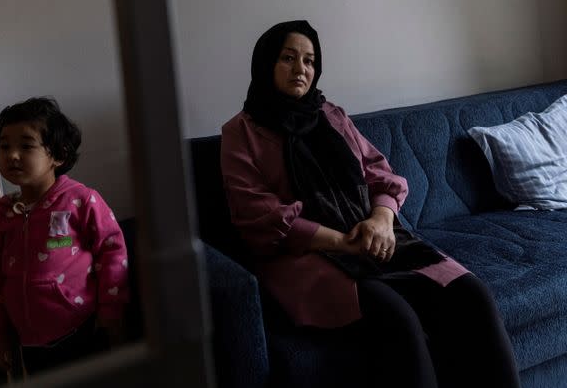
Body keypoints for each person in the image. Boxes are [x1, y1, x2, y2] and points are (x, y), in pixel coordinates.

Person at [220, 20, 520, 388]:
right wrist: (341, 241)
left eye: (310, 61)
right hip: (307, 256)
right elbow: (256, 214)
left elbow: (380, 173)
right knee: (398, 319)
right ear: (266, 62)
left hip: (373, 236)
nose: (301, 69)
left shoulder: (332, 115)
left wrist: (381, 220)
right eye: (288, 58)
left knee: (470, 294)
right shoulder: (241, 132)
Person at [0, 97, 128, 375]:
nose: (12, 155)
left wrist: (112, 313)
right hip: (30, 344)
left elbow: (113, 252)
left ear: (58, 155)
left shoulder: (81, 201)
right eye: (4, 146)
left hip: (81, 330)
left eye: (26, 145)